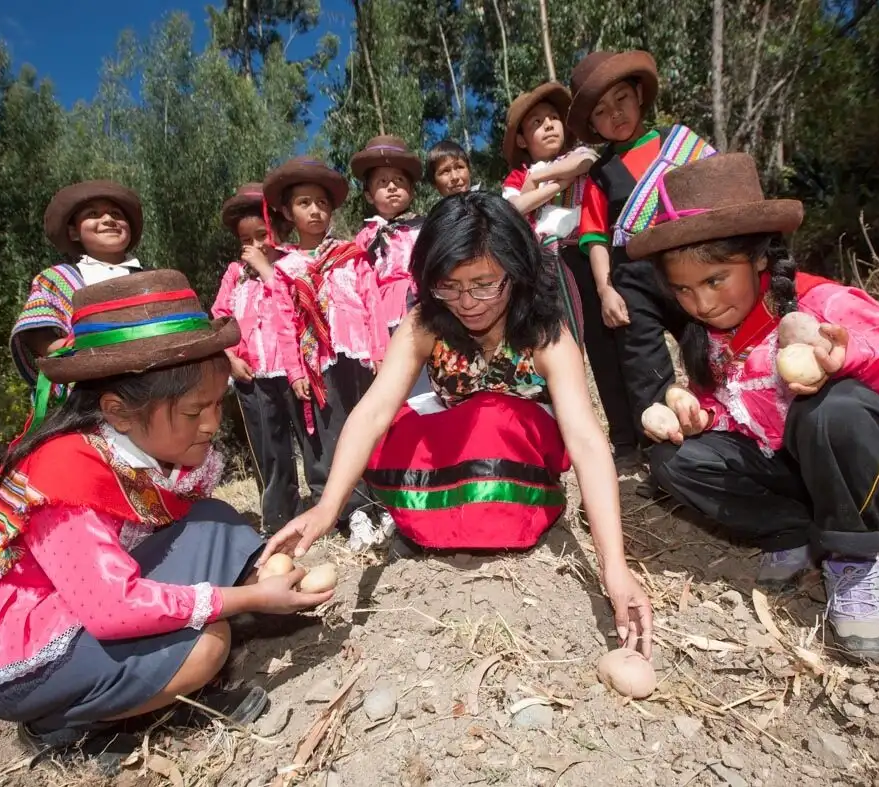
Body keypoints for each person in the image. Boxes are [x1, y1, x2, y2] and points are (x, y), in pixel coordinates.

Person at [0, 271, 332, 764]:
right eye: (194, 412)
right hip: (27, 660)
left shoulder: (131, 449)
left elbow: (178, 536)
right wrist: (249, 594)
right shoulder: (66, 475)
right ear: (118, 412)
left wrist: (254, 571)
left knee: (214, 520)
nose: (211, 424)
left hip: (78, 609)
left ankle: (164, 672)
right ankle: (68, 723)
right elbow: (112, 607)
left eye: (216, 405)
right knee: (207, 648)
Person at [262, 192, 655, 656]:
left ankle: (444, 515)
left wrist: (614, 566)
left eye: (485, 284)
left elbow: (587, 442)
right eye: (449, 285)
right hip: (455, 451)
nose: (467, 302)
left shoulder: (548, 335)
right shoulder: (425, 323)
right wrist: (328, 508)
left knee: (491, 417)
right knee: (394, 431)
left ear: (518, 272)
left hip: (513, 458)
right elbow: (372, 411)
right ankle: (437, 519)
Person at [627, 153, 879, 662]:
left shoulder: (823, 304)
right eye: (684, 290)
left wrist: (849, 357)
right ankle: (795, 533)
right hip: (798, 475)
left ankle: (852, 559)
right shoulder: (713, 338)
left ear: (760, 257)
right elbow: (737, 408)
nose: (702, 303)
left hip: (871, 476)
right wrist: (700, 416)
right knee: (673, 459)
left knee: (828, 408)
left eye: (716, 279)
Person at [567, 51, 716, 475]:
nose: (615, 115)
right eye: (601, 111)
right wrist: (605, 289)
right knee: (643, 363)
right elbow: (595, 236)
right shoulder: (599, 175)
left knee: (707, 346)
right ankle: (662, 447)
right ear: (592, 126)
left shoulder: (679, 145)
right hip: (632, 278)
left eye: (621, 100)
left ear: (638, 95)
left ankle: (724, 421)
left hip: (692, 268)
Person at [502, 81, 637, 467]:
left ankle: (626, 441)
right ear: (523, 141)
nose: (548, 126)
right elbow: (511, 210)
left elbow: (584, 163)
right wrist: (553, 183)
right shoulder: (516, 179)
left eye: (553, 119)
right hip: (539, 272)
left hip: (580, 259)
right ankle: (552, 449)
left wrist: (543, 181)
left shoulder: (580, 157)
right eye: (536, 124)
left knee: (605, 351)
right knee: (548, 358)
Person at [263, 157, 392, 551]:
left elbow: (372, 304)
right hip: (316, 362)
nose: (315, 210)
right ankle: (350, 511)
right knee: (326, 433)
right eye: (304, 203)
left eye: (321, 203)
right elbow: (284, 322)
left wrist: (381, 353)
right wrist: (295, 370)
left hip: (359, 355)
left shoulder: (351, 255)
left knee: (374, 427)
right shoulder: (284, 269)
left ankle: (385, 500)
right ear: (288, 212)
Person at [212, 183, 304, 534]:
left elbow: (301, 304)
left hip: (296, 369)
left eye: (262, 234)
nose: (255, 245)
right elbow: (221, 320)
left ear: (280, 231)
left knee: (313, 442)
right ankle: (280, 515)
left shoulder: (294, 265)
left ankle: (334, 505)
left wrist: (268, 269)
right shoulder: (235, 276)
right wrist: (230, 358)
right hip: (254, 373)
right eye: (246, 240)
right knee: (268, 446)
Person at [11, 180, 145, 387]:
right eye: (92, 214)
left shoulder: (153, 278)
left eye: (117, 214)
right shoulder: (57, 279)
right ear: (73, 232)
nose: (109, 219)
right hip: (90, 390)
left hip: (151, 385)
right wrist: (70, 351)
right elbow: (33, 330)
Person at [351, 135, 426, 333]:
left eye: (399, 180)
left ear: (411, 191)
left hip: (425, 302)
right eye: (382, 182)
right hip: (385, 311)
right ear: (368, 195)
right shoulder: (365, 237)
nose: (392, 187)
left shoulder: (425, 226)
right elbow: (360, 281)